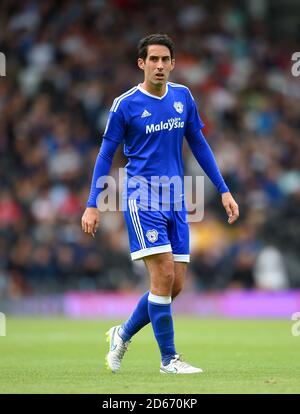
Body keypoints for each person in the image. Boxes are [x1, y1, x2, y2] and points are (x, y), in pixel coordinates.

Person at [81, 34, 239, 374]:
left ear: (172, 63)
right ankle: (169, 359)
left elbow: (199, 143)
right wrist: (93, 203)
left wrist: (223, 189)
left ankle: (122, 334)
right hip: (141, 198)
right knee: (163, 273)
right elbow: (106, 154)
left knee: (174, 284)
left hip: (177, 199)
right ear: (141, 63)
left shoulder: (183, 97)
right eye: (153, 59)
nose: (159, 65)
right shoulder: (125, 105)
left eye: (165, 59)